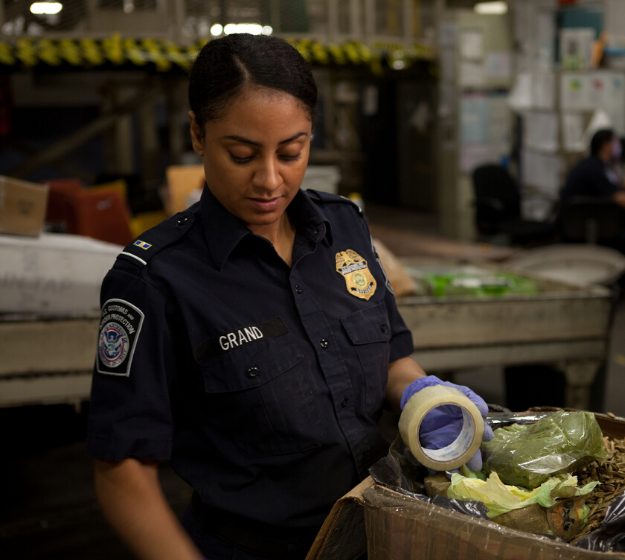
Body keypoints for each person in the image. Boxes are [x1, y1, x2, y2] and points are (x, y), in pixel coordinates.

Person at [87, 33, 490, 560]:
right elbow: (122, 470)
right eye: (242, 154)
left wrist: (422, 396)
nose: (270, 180)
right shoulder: (155, 280)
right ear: (197, 134)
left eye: (292, 151)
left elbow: (390, 353)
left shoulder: (343, 227)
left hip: (379, 533)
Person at [560, 128, 625, 210]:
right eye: (616, 142)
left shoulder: (597, 164)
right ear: (606, 146)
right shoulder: (593, 168)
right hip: (584, 222)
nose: (620, 147)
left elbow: (615, 188)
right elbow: (618, 198)